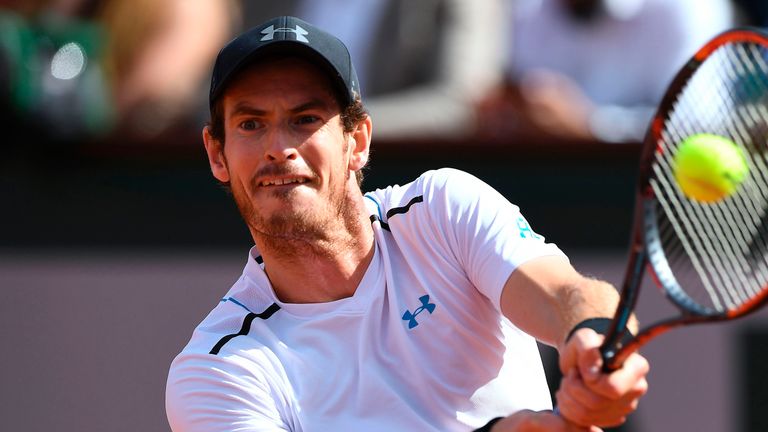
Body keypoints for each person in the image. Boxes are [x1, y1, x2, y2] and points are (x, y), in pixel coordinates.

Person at [165, 16, 649, 432]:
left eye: (305, 119)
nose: (278, 146)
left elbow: (565, 293)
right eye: (251, 124)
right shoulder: (216, 370)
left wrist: (592, 338)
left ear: (358, 141)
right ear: (217, 154)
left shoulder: (443, 209)